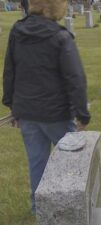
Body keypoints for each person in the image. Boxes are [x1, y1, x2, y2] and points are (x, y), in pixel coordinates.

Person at [2, 0, 91, 214]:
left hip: (28, 113)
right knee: (71, 162)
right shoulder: (60, 37)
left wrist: (12, 104)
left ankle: (39, 208)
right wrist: (82, 114)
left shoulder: (17, 31)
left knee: (37, 163)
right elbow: (75, 78)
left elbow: (9, 70)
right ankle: (72, 206)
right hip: (56, 114)